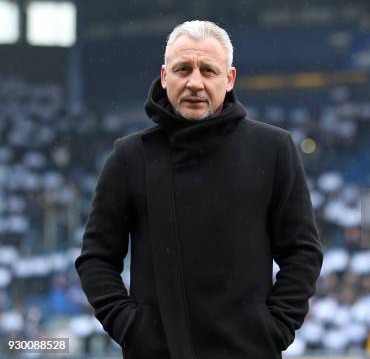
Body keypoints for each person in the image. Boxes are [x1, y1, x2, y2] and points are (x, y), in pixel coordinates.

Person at [75, 20, 324, 359]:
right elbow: (96, 259)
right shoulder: (130, 156)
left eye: (208, 70)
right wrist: (131, 328)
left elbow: (302, 252)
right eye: (183, 69)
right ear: (165, 77)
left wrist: (275, 328)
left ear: (229, 78)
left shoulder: (273, 148)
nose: (195, 82)